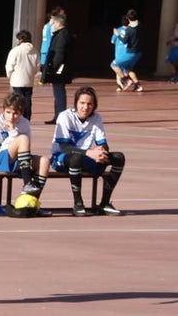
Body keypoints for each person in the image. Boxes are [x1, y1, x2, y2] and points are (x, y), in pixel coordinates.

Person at [35, 85, 126, 217]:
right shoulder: (65, 116)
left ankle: (105, 203)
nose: (85, 107)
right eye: (82, 103)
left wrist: (101, 150)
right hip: (61, 158)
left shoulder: (96, 118)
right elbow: (64, 148)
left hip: (85, 157)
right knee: (75, 158)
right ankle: (78, 203)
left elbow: (103, 143)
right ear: (76, 103)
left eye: (90, 104)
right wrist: (90, 153)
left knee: (119, 157)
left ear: (94, 106)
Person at [0, 93, 38, 193]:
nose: (11, 116)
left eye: (15, 113)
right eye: (8, 112)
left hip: (19, 159)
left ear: (21, 113)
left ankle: (31, 201)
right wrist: (12, 132)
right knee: (23, 138)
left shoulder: (24, 123)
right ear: (3, 110)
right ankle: (27, 183)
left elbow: (27, 146)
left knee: (44, 162)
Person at [42, 12, 71, 124]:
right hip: (58, 69)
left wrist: (52, 68)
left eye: (53, 23)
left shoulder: (62, 35)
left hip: (59, 70)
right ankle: (57, 115)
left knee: (59, 93)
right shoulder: (60, 34)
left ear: (58, 23)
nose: (51, 25)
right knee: (57, 93)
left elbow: (59, 53)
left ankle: (60, 116)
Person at [4, 29, 39, 121]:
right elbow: (37, 66)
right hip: (29, 80)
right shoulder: (34, 51)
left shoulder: (15, 51)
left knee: (18, 100)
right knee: (28, 100)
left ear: (20, 39)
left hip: (17, 80)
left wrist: (10, 75)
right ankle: (27, 118)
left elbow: (9, 65)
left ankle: (19, 117)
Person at [110, 9, 142, 92]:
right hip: (138, 53)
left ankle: (124, 81)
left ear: (128, 18)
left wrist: (117, 34)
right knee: (127, 70)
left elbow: (123, 41)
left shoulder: (128, 30)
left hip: (129, 53)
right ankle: (137, 85)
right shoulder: (139, 25)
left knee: (114, 65)